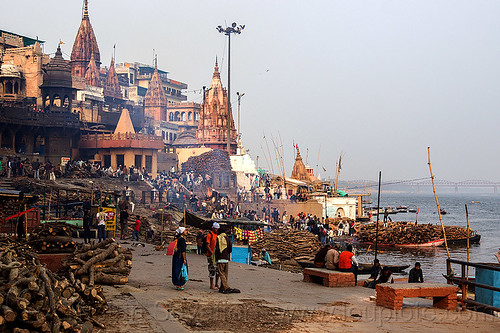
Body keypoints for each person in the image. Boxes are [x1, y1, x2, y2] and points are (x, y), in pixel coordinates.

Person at [215, 226, 239, 293]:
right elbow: (230, 249)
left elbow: (217, 249)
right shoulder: (227, 239)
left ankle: (226, 287)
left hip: (220, 258)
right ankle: (222, 288)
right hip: (226, 258)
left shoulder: (218, 238)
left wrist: (217, 256)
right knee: (225, 274)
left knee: (221, 273)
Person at [206, 222, 220, 290]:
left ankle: (216, 283)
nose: (217, 230)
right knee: (212, 269)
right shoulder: (209, 235)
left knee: (218, 269)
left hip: (216, 255)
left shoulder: (217, 235)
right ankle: (211, 285)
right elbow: (207, 245)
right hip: (211, 255)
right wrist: (211, 252)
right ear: (213, 228)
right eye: (216, 229)